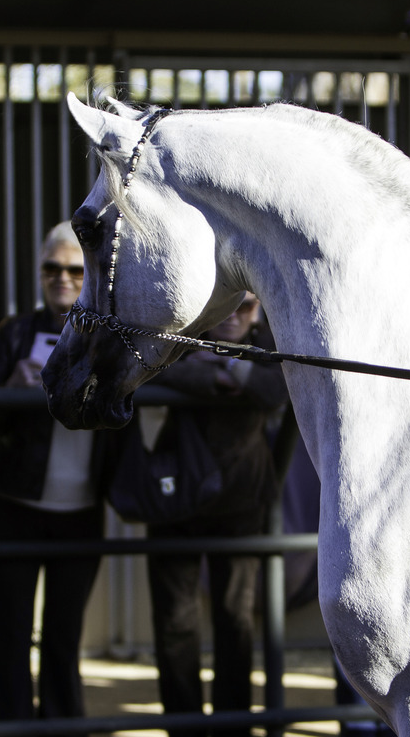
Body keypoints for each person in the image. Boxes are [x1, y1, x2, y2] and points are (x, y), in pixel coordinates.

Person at [0, 221, 118, 724]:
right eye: (51, 269)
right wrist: (12, 384)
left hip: (80, 511)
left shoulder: (112, 335)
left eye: (75, 270)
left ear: (90, 274)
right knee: (6, 635)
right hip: (15, 505)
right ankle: (7, 727)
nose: (62, 278)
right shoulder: (16, 332)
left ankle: (62, 725)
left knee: (62, 637)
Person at [142, 292, 288, 737]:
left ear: (259, 309)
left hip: (240, 503)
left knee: (235, 621)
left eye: (244, 307)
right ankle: (183, 727)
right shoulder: (182, 335)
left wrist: (232, 366)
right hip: (176, 495)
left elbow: (277, 390)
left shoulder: (272, 343)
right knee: (174, 622)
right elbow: (143, 371)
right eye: (226, 307)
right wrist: (204, 375)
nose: (233, 317)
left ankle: (233, 727)